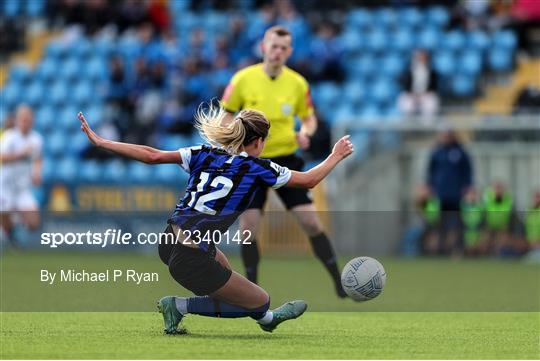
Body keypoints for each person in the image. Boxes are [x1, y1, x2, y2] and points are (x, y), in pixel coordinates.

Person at [77, 105, 354, 335]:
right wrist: (335, 155)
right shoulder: (258, 167)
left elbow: (152, 155)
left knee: (226, 270)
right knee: (260, 301)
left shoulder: (203, 153)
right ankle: (180, 306)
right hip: (190, 257)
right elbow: (309, 180)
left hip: (168, 241)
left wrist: (102, 142)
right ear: (258, 141)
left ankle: (266, 320)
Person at [221, 25, 347, 297]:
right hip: (252, 162)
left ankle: (339, 282)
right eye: (273, 46)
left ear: (289, 51)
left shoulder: (298, 83)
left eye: (283, 48)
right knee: (249, 228)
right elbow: (226, 116)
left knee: (312, 224)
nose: (277, 52)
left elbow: (310, 117)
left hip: (287, 159)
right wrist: (232, 140)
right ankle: (252, 288)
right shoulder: (243, 79)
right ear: (263, 46)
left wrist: (306, 132)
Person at [0, 104, 43, 247]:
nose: (26, 122)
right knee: (5, 222)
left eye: (29, 119)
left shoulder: (36, 139)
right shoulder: (9, 137)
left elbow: (38, 158)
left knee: (34, 222)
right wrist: (21, 154)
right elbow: (2, 158)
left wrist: (37, 173)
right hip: (5, 186)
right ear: (18, 120)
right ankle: (11, 234)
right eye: (23, 119)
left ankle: (16, 221)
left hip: (22, 188)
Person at [426, 128, 473, 256]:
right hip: (441, 194)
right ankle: (442, 249)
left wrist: (468, 186)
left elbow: (467, 171)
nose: (446, 138)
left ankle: (459, 248)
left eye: (448, 135)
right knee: (441, 223)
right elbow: (431, 170)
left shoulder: (460, 152)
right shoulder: (438, 152)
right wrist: (430, 185)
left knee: (458, 222)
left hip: (456, 194)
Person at [398, 49, 439, 121]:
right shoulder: (409, 71)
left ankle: (427, 125)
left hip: (426, 95)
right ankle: (407, 123)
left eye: (424, 58)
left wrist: (423, 94)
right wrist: (414, 95)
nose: (422, 60)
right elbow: (405, 85)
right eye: (420, 58)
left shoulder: (432, 72)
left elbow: (433, 87)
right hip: (411, 95)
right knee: (406, 103)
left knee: (431, 102)